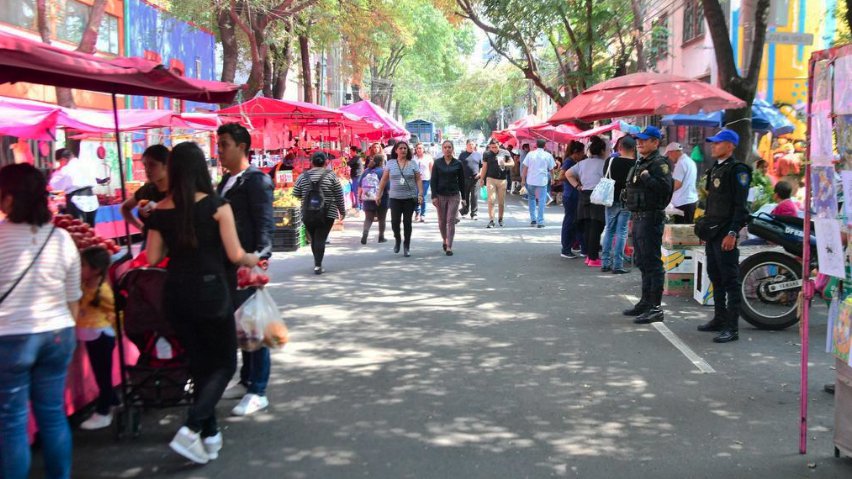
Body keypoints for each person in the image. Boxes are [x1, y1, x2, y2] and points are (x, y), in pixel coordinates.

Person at [147, 142, 260, 464]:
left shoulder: (160, 210)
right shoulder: (217, 206)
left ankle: (210, 437)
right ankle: (192, 426)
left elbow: (154, 257)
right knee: (224, 364)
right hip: (211, 294)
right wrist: (254, 259)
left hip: (175, 296)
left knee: (199, 366)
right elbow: (236, 255)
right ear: (200, 168)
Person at [0, 164, 81, 479]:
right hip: (57, 334)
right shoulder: (61, 238)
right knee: (52, 416)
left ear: (8, 199)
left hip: (10, 339)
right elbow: (73, 296)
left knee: (11, 424)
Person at [214, 123, 275, 417]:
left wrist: (260, 258)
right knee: (241, 327)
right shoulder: (225, 181)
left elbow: (265, 224)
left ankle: (258, 390)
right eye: (219, 144)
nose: (220, 151)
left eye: (224, 144)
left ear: (242, 146)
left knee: (255, 327)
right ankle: (246, 378)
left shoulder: (256, 181)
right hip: (227, 264)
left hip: (247, 264)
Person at [696, 129, 751, 343]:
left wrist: (732, 232)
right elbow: (711, 204)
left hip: (726, 232)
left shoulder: (738, 170)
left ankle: (732, 327)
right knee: (715, 276)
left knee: (730, 280)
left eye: (718, 143)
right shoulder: (715, 170)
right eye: (713, 143)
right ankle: (719, 318)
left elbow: (740, 207)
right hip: (713, 232)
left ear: (730, 146)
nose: (713, 146)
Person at [621, 126, 673, 324]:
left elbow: (665, 190)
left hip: (651, 218)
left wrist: (647, 178)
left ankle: (655, 307)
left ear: (655, 142)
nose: (639, 143)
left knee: (652, 263)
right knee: (642, 261)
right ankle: (645, 302)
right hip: (638, 217)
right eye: (638, 140)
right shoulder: (641, 162)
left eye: (644, 139)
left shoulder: (659, 164)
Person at [76, 246, 120, 430]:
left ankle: (103, 411)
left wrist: (117, 332)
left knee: (102, 375)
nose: (79, 269)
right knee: (100, 373)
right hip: (92, 335)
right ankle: (113, 401)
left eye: (83, 265)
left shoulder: (102, 292)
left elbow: (115, 313)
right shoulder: (85, 286)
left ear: (96, 269)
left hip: (102, 336)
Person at [292, 152, 346, 274]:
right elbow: (339, 195)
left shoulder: (303, 176)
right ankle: (318, 265)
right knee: (320, 237)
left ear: (311, 162)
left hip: (308, 212)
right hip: (328, 213)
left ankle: (317, 263)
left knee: (314, 238)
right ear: (326, 162)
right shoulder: (331, 176)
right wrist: (342, 211)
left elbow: (296, 193)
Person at [376, 142, 423, 257]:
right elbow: (384, 180)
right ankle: (398, 239)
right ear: (396, 150)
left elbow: (418, 179)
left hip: (409, 198)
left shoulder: (413, 163)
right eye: (400, 148)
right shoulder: (391, 163)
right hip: (395, 198)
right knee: (394, 223)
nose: (403, 150)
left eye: (405, 148)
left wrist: (420, 194)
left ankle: (406, 245)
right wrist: (379, 194)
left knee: (407, 223)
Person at [566, 136, 607, 266]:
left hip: (583, 195)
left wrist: (577, 186)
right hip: (598, 196)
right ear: (602, 151)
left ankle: (589, 256)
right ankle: (593, 258)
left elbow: (568, 174)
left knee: (588, 227)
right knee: (596, 227)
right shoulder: (605, 163)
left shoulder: (582, 163)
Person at [600, 136, 636, 274]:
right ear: (633, 149)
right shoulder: (636, 163)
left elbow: (605, 175)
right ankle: (618, 265)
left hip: (610, 198)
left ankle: (605, 263)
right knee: (621, 232)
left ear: (620, 147)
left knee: (609, 229)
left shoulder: (611, 160)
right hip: (627, 199)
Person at [121, 144, 169, 238]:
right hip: (149, 241)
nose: (147, 170)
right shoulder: (147, 189)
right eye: (145, 165)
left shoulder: (178, 190)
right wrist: (140, 226)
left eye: (152, 165)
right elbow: (125, 208)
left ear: (166, 165)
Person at [49, 148, 104, 227]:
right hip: (91, 198)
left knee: (77, 229)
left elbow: (53, 185)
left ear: (63, 159)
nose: (60, 164)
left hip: (77, 200)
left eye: (59, 162)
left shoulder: (67, 169)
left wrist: (57, 171)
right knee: (90, 230)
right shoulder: (86, 164)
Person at [431, 141, 466, 255]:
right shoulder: (437, 163)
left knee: (450, 220)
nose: (447, 149)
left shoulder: (458, 163)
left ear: (453, 149)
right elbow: (433, 180)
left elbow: (461, 181)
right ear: (442, 149)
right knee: (442, 221)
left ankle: (449, 245)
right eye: (445, 147)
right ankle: (444, 239)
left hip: (454, 195)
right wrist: (434, 196)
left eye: (449, 147)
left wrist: (464, 197)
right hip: (440, 195)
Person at [559, 141, 586, 258]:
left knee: (574, 221)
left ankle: (574, 245)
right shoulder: (569, 162)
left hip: (573, 195)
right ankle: (565, 249)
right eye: (581, 153)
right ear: (576, 152)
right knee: (569, 222)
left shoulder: (573, 161)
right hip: (571, 195)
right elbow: (560, 176)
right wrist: (575, 178)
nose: (582, 155)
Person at [521, 138, 556, 228]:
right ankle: (540, 221)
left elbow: (525, 168)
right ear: (545, 146)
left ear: (536, 145)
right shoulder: (548, 155)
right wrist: (552, 179)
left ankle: (533, 219)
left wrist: (523, 180)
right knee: (542, 200)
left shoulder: (530, 154)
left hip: (531, 180)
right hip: (542, 181)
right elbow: (551, 169)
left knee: (531, 199)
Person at [480, 141, 514, 228]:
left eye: (495, 147)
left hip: (502, 180)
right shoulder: (486, 154)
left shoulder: (505, 152)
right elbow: (484, 167)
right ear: (489, 147)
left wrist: (505, 163)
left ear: (499, 145)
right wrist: (481, 179)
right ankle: (491, 220)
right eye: (492, 147)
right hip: (490, 179)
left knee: (501, 202)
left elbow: (512, 163)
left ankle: (500, 219)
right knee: (491, 200)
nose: (494, 149)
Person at [665, 142, 698, 224]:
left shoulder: (681, 163)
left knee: (682, 232)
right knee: (687, 228)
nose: (669, 157)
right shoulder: (690, 161)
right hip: (690, 201)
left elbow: (677, 184)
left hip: (683, 203)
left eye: (669, 154)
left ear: (673, 152)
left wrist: (666, 193)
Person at [360, 154, 390, 244]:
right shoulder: (383, 172)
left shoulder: (366, 171)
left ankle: (365, 234)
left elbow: (360, 185)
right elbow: (388, 187)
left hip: (368, 197)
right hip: (381, 198)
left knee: (368, 218)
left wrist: (360, 196)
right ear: (381, 162)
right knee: (382, 218)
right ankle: (381, 237)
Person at [458, 140, 482, 219]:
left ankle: (474, 213)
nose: (471, 146)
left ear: (474, 145)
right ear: (466, 145)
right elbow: (458, 166)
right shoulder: (462, 155)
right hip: (464, 179)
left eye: (472, 144)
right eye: (469, 144)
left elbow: (482, 166)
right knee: (465, 196)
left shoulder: (478, 155)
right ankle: (465, 210)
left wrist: (480, 173)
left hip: (475, 179)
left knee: (474, 196)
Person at [413, 143, 434, 223]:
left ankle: (423, 214)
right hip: (415, 180)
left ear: (423, 149)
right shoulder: (413, 158)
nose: (419, 150)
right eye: (417, 148)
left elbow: (432, 169)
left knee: (422, 196)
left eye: (420, 148)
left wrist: (433, 180)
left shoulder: (428, 158)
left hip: (425, 179)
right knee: (415, 197)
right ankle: (417, 212)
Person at [348, 147, 364, 215]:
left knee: (356, 191)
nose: (350, 153)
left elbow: (348, 163)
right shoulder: (356, 158)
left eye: (351, 151)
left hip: (357, 176)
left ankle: (359, 206)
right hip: (356, 176)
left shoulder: (356, 158)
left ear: (355, 151)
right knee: (356, 191)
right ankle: (358, 205)